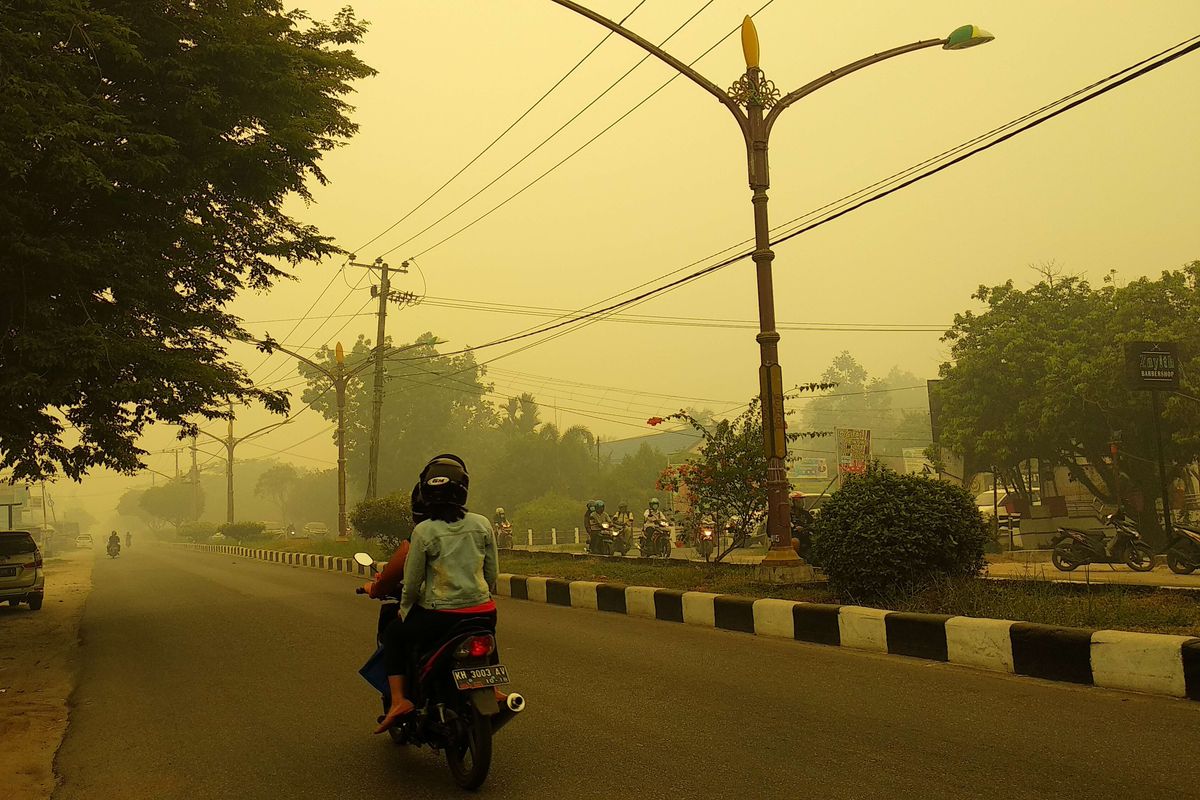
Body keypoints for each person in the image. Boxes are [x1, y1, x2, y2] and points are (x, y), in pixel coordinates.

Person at [374, 454, 498, 734]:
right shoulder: (482, 524)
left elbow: (413, 580)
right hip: (483, 611)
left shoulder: (424, 531)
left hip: (439, 616)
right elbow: (491, 574)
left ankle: (398, 701)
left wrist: (405, 610)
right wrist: (481, 597)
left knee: (393, 634)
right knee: (484, 631)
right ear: (463, 488)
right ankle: (493, 687)